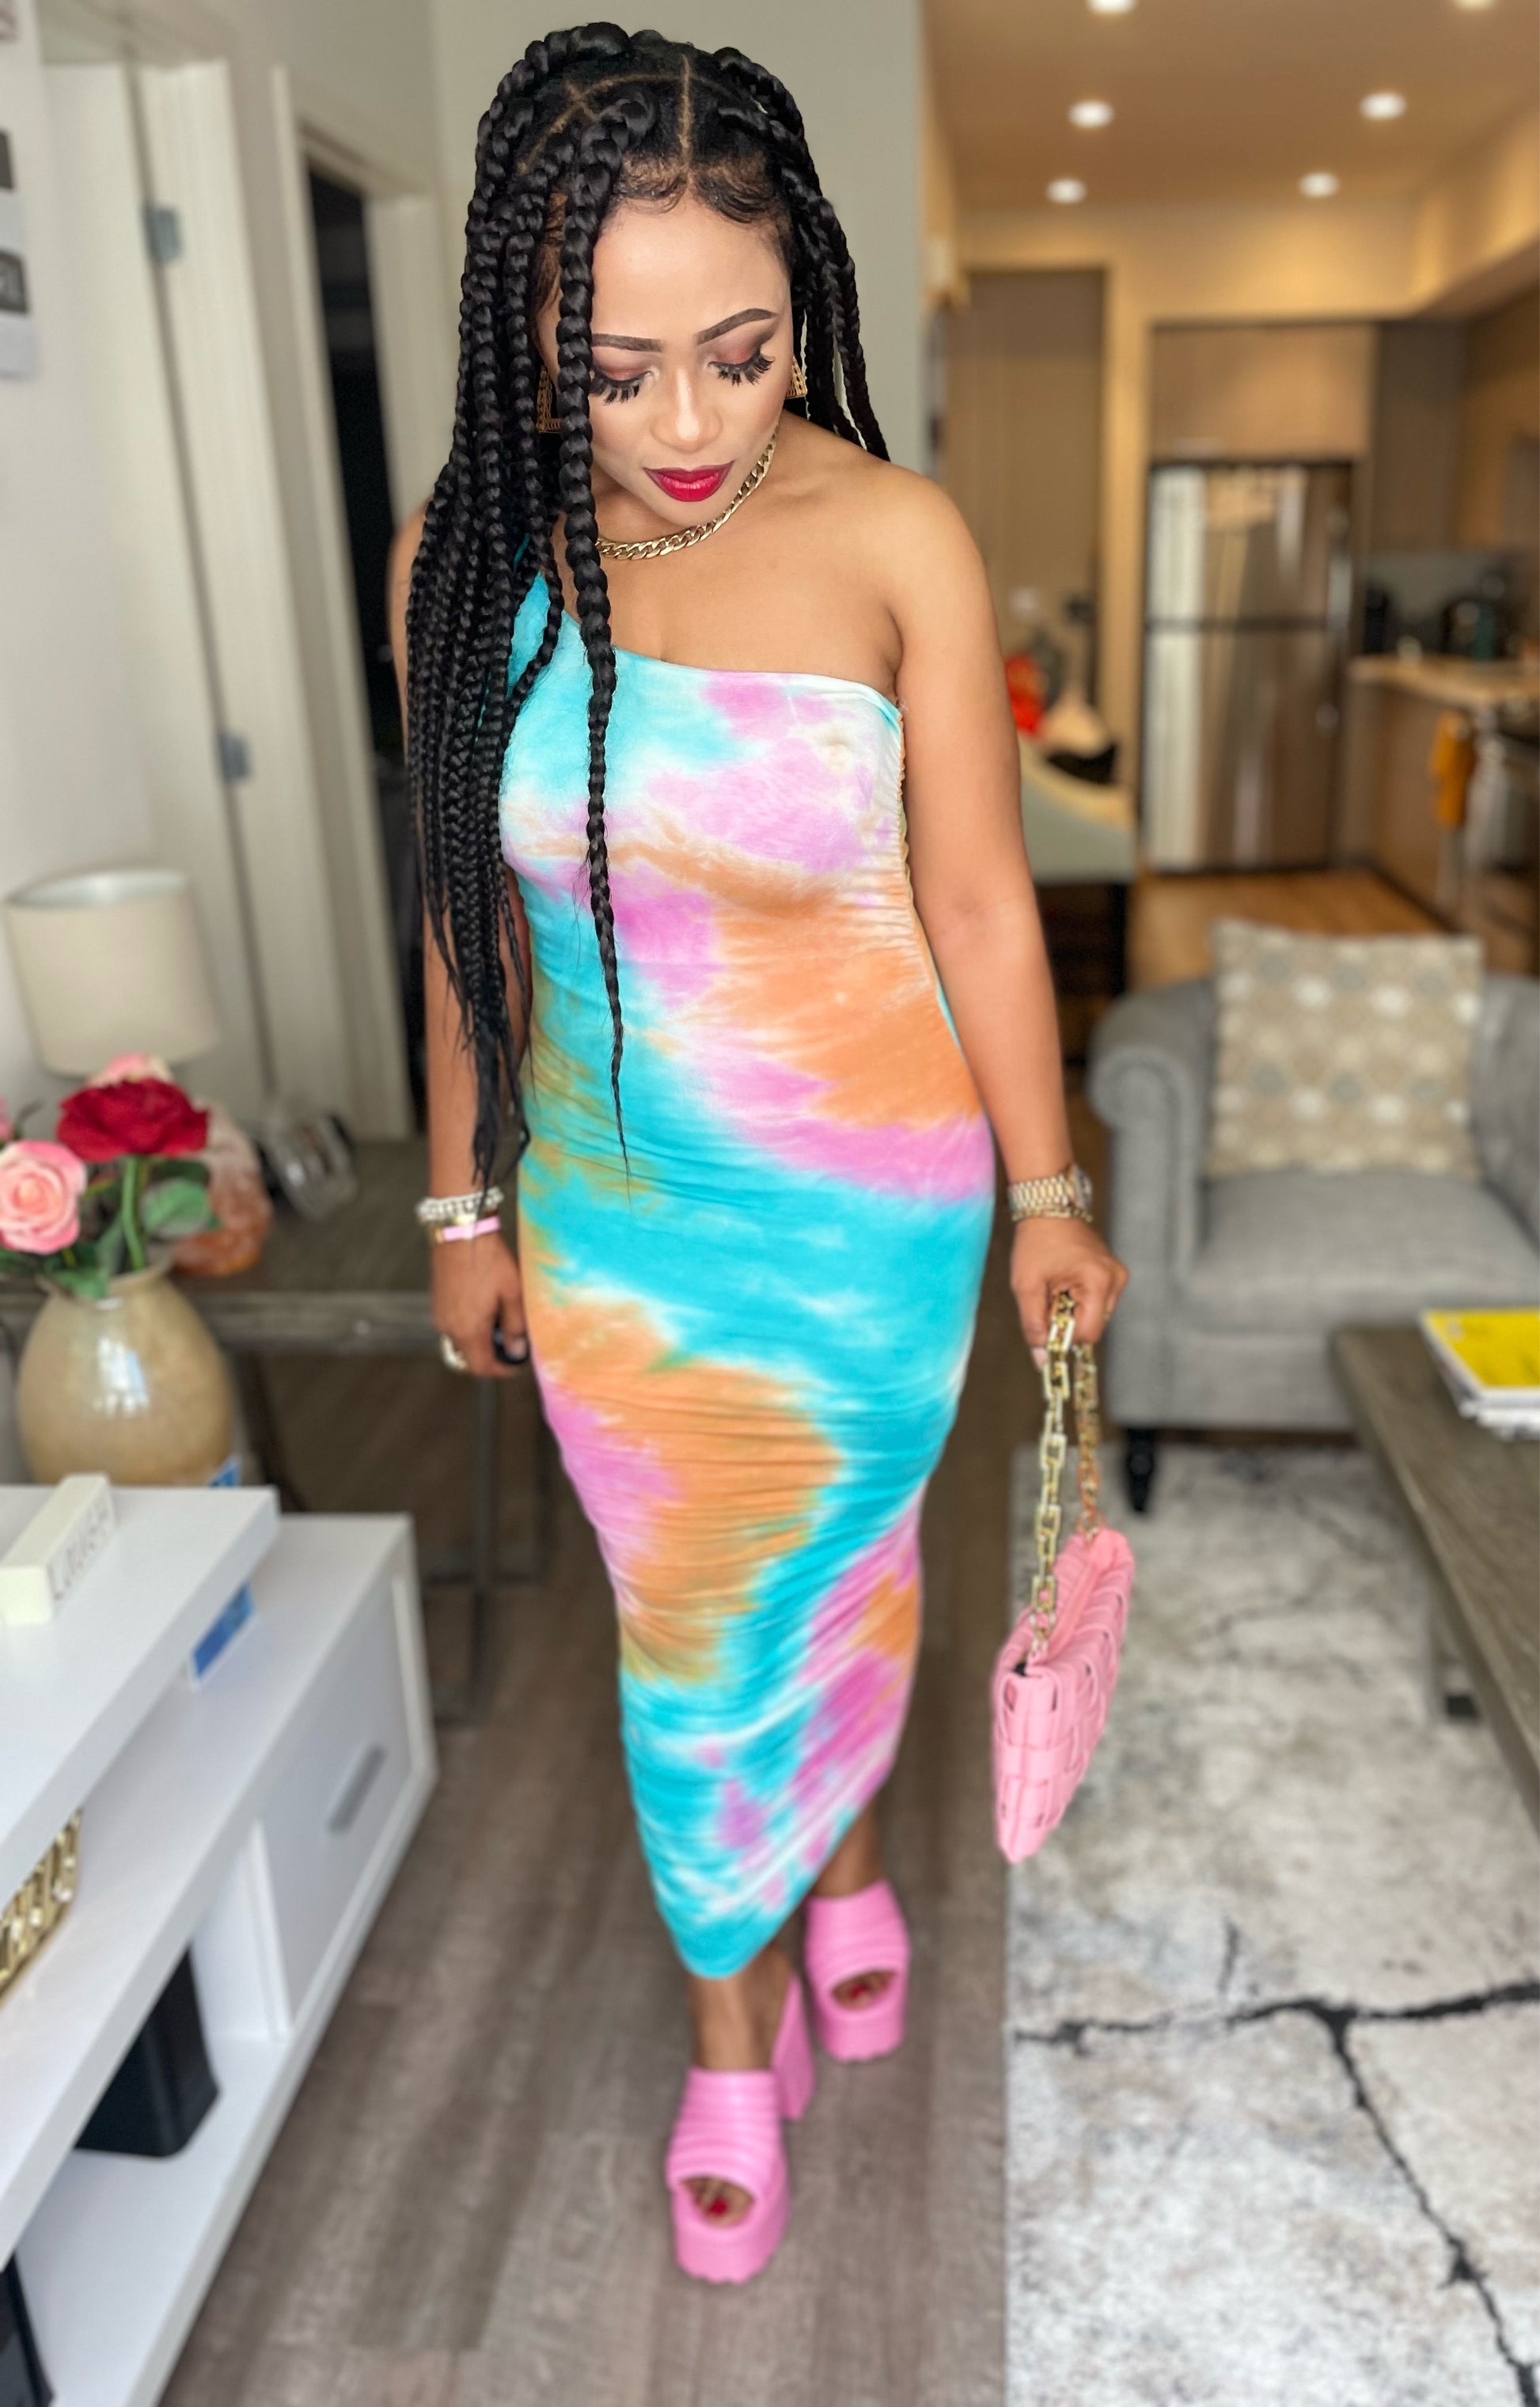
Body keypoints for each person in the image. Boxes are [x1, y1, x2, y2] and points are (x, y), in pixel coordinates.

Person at [388, 23, 1126, 2285]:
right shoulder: (462, 563)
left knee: (845, 1578)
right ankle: (741, 2009)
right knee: (689, 1632)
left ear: (804, 299)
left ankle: (840, 1870)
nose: (690, 423)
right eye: (615, 371)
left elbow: (980, 903)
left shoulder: (893, 536)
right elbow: (461, 923)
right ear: (530, 336)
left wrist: (1051, 1197)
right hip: (618, 1228)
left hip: (874, 1230)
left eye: (744, 350)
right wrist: (457, 1202)